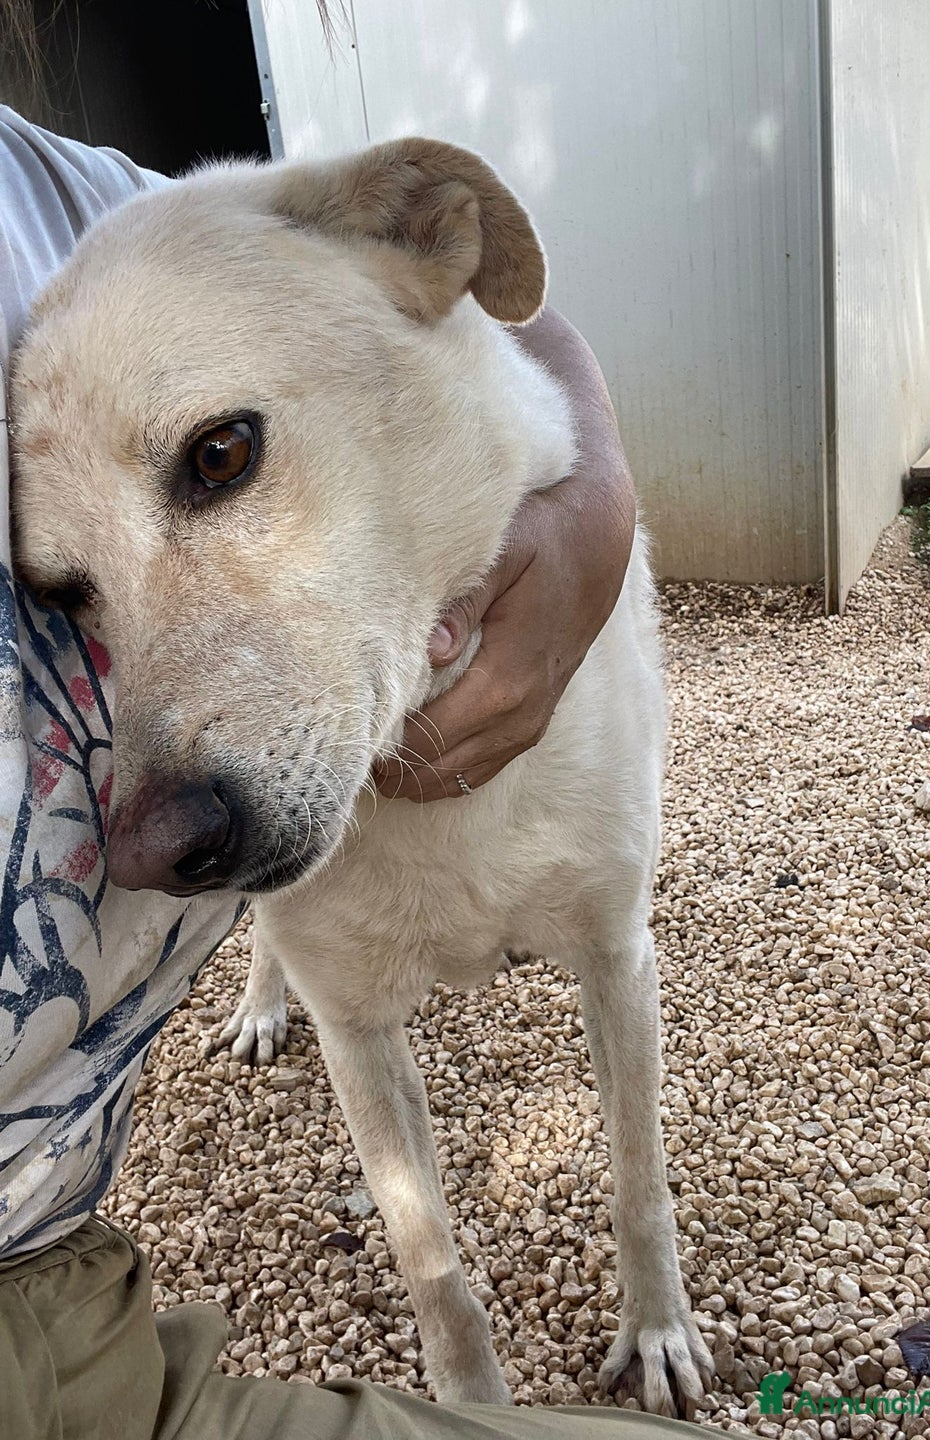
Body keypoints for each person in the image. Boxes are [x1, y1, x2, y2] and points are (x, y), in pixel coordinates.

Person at [0, 109, 726, 1438]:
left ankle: (652, 1262)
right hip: (52, 1279)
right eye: (80, 596)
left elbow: (498, 308)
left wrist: (595, 504)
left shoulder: (101, 213)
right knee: (332, 968)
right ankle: (458, 1362)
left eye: (218, 460)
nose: (151, 813)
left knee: (605, 944)